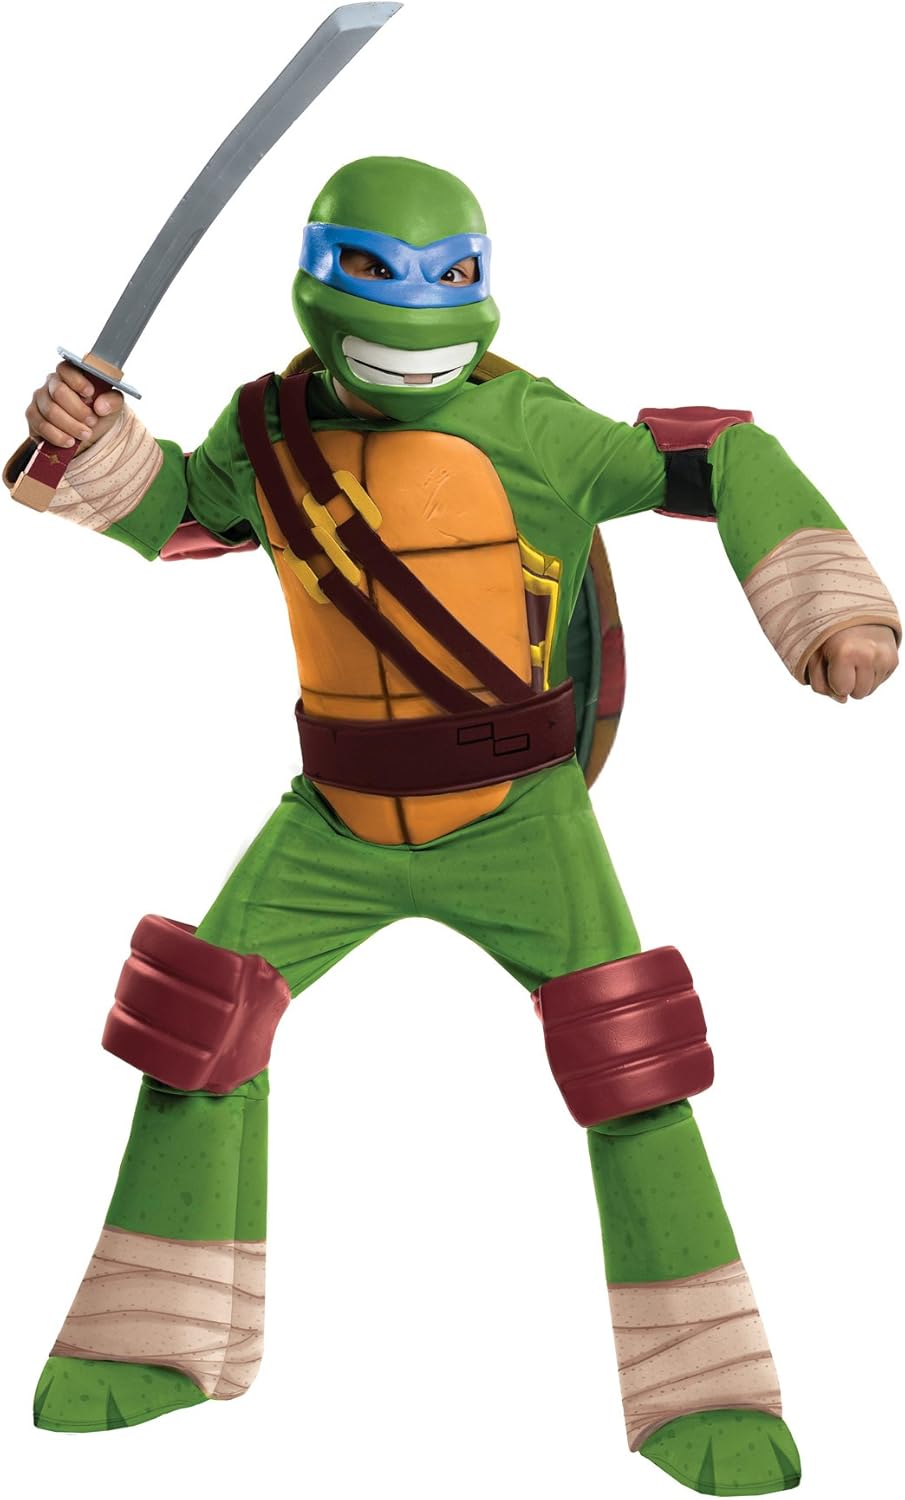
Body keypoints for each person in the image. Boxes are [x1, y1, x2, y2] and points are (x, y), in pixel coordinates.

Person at [8, 155, 900, 1495]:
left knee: (634, 1065)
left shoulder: (537, 428)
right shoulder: (268, 431)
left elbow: (715, 453)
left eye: (449, 281)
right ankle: (161, 1347)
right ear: (318, 287)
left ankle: (707, 1390)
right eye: (379, 277)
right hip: (335, 816)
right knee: (196, 1026)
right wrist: (80, 438)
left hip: (521, 815)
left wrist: (827, 605)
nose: (414, 315)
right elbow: (176, 514)